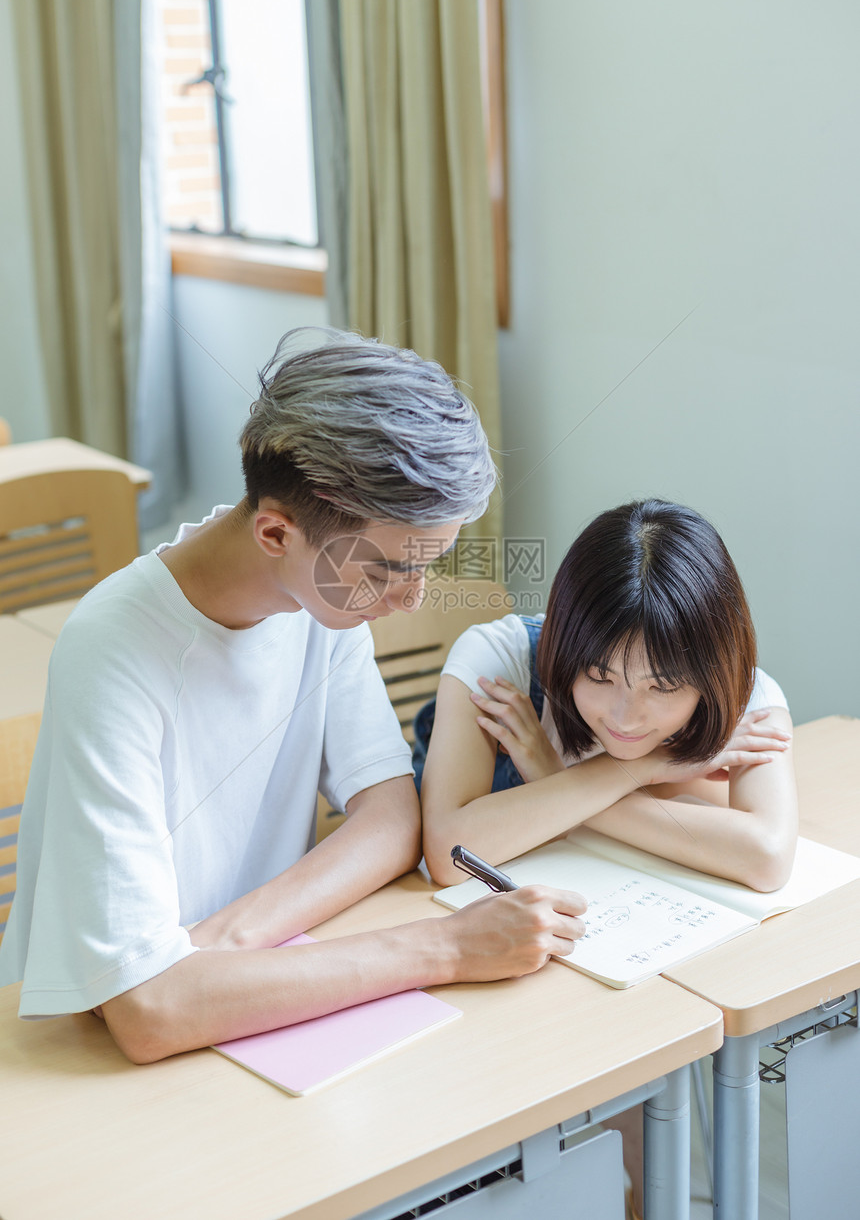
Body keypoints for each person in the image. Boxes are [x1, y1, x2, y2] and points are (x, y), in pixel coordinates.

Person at [0, 327, 587, 1064]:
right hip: (73, 1058)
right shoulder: (113, 651)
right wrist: (444, 947)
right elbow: (148, 1011)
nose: (411, 601)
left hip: (245, 988)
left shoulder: (323, 598)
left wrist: (227, 945)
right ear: (276, 532)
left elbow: (389, 815)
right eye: (389, 571)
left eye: (429, 565)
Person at [420, 498, 797, 892]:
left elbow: (767, 858)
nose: (625, 717)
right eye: (600, 676)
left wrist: (554, 778)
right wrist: (642, 767)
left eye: (663, 686)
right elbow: (450, 857)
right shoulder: (499, 661)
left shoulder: (744, 696)